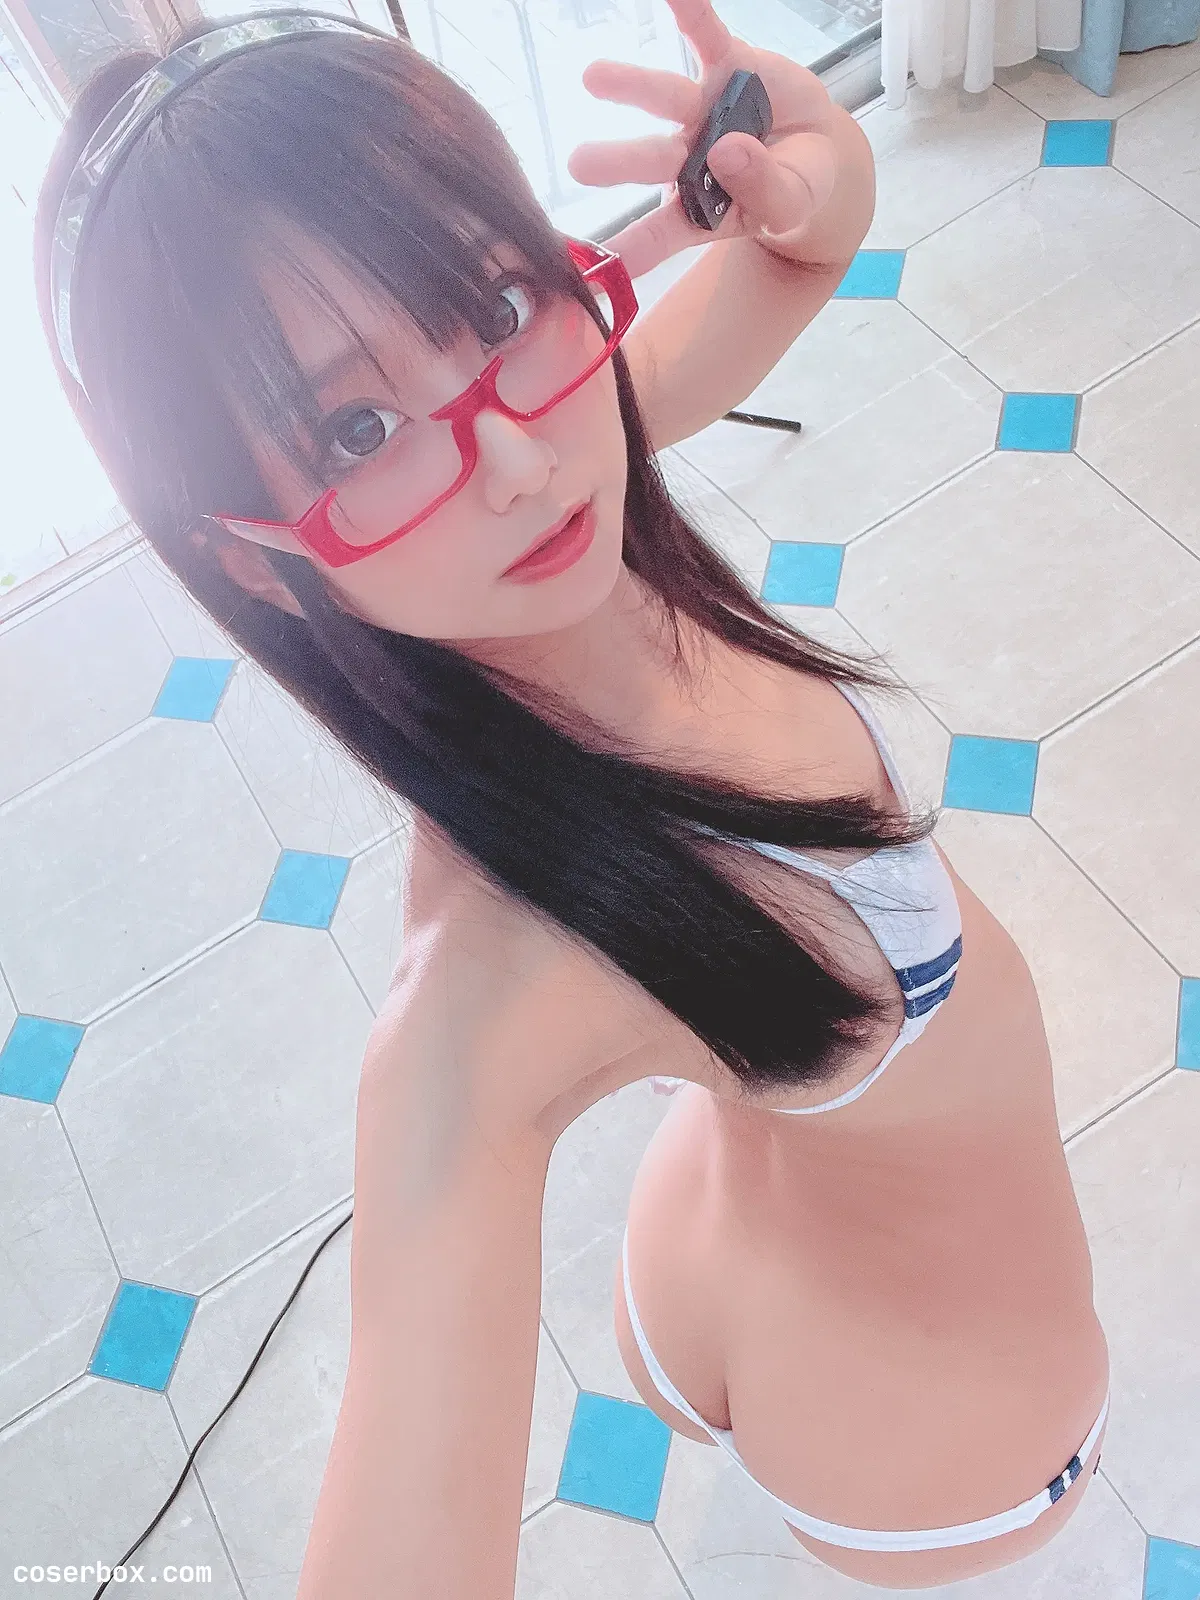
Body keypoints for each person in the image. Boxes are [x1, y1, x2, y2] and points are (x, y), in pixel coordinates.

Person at [35, 3, 1110, 1592]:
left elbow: (800, 255)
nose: (519, 462)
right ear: (251, 554)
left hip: (727, 1235)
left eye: (490, 302)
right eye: (358, 428)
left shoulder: (550, 504)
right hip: (939, 1397)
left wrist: (807, 164)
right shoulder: (481, 996)